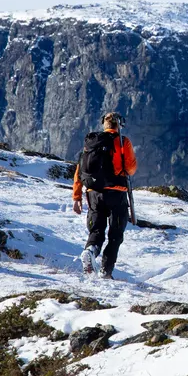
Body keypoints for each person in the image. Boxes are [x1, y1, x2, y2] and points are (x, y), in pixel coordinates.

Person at [72, 112, 137, 279]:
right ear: (119, 125)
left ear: (104, 124)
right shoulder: (122, 141)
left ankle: (90, 251)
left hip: (93, 194)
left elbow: (79, 172)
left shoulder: (91, 143)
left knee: (97, 230)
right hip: (116, 193)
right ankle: (106, 271)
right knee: (115, 235)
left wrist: (77, 197)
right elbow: (131, 169)